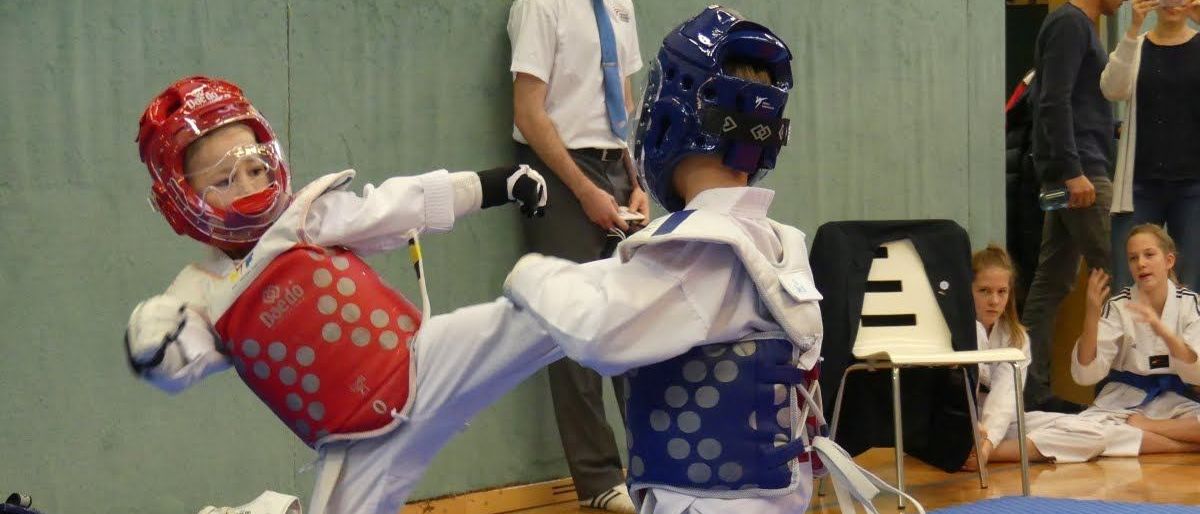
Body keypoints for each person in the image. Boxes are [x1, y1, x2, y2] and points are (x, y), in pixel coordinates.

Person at [503, 7, 917, 513]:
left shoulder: (696, 250)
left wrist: (532, 275)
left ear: (671, 117)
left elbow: (597, 334)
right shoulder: (781, 243)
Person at [124, 75, 563, 514]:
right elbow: (185, 358)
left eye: (255, 168)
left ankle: (610, 291)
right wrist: (155, 346)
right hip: (351, 445)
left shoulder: (305, 219)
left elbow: (395, 206)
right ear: (179, 200)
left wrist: (493, 185)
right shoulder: (199, 291)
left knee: (537, 321)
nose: (247, 187)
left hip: (420, 362)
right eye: (222, 178)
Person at [507, 0, 648, 510]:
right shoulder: (540, 6)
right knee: (573, 332)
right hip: (560, 170)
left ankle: (653, 466)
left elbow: (623, 106)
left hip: (617, 168)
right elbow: (528, 110)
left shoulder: (620, 6)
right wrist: (583, 189)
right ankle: (599, 483)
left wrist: (638, 180)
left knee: (635, 326)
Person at [1021, 0, 1125, 413]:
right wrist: (1071, 169)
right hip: (1080, 174)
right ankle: (1121, 388)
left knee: (1052, 282)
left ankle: (1031, 391)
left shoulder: (1076, 25)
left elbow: (1068, 101)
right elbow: (1051, 100)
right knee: (1118, 272)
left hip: (1068, 172)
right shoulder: (1070, 23)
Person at [963, 245, 1106, 471]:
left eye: (1002, 292)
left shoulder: (1017, 338)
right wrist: (978, 433)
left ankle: (982, 454)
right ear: (968, 289)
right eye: (984, 291)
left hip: (1001, 426)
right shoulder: (959, 332)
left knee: (1093, 432)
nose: (994, 301)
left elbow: (1005, 397)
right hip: (964, 424)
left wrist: (988, 447)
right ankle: (970, 449)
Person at [1070, 224, 1200, 457]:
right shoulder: (1119, 306)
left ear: (1169, 260)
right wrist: (1091, 312)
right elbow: (1087, 374)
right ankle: (1184, 445)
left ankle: (1149, 432)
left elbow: (1197, 372)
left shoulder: (1191, 304)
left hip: (1176, 401)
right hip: (1124, 401)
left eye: (1149, 254)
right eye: (1133, 258)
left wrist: (1161, 330)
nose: (1141, 263)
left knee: (1107, 438)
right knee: (1083, 434)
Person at [1102, 0, 1200, 292]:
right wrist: (1132, 28)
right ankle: (1129, 338)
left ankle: (1190, 340)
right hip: (1138, 184)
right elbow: (1112, 88)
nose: (1173, 3)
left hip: (1194, 185)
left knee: (1192, 285)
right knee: (1127, 281)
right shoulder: (1137, 45)